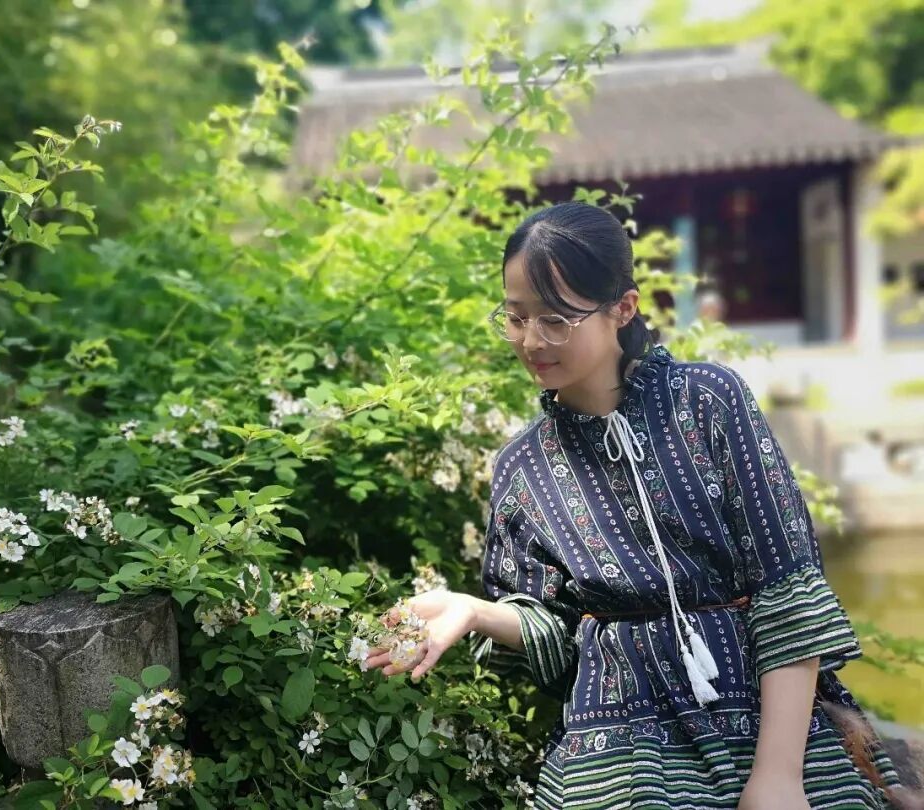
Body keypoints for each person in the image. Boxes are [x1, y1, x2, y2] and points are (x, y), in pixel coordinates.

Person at [362, 202, 906, 809]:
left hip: (766, 723)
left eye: (556, 320)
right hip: (617, 750)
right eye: (515, 318)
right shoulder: (523, 466)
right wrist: (473, 610)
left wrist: (777, 778)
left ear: (623, 308)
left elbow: (787, 591)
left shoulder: (709, 402)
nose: (531, 341)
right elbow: (560, 634)